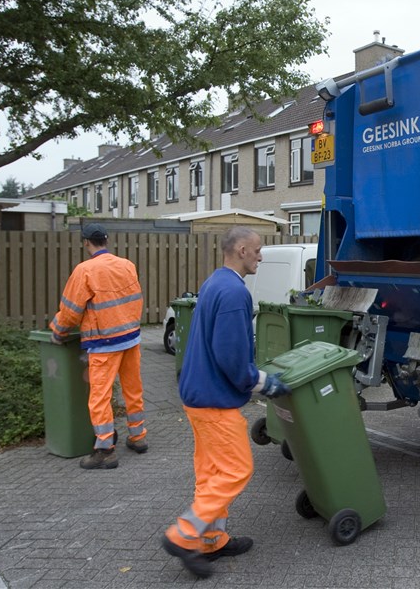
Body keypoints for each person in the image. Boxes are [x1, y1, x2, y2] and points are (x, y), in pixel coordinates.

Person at [162, 226, 290, 579]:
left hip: (197, 394)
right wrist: (263, 382)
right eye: (259, 250)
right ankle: (184, 535)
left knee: (212, 473)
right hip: (215, 400)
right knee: (236, 470)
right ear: (243, 249)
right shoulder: (234, 292)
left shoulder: (214, 282)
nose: (261, 257)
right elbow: (232, 358)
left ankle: (212, 540)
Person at [49, 223, 147, 469]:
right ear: (106, 240)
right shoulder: (127, 265)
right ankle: (138, 437)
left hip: (104, 343)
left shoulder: (85, 271)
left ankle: (105, 450)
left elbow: (71, 311)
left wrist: (58, 332)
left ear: (86, 243)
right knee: (132, 390)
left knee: (100, 397)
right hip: (130, 339)